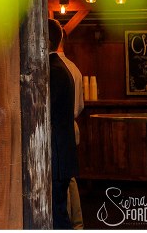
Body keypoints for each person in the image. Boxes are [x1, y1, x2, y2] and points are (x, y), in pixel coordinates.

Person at [48, 18, 79, 229]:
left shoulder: (54, 70)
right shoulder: (59, 67)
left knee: (58, 216)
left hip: (58, 157)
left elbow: (46, 113)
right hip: (62, 156)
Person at [54, 25, 85, 230]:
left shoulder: (54, 67)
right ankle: (78, 222)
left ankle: (70, 221)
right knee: (69, 179)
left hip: (58, 128)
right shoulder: (74, 68)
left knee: (61, 182)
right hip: (71, 125)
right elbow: (80, 105)